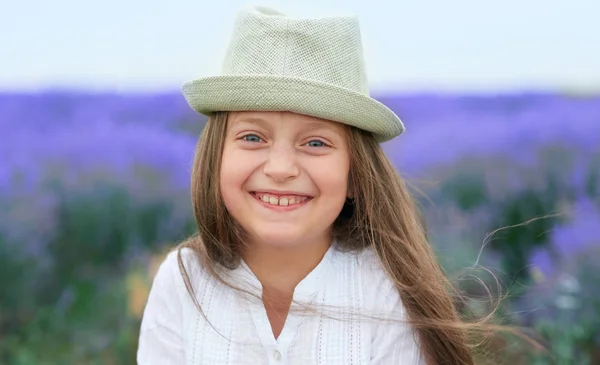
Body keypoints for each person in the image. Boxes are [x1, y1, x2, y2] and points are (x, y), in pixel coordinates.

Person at [137, 6, 485, 364]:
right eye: (253, 137)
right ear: (216, 159)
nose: (281, 169)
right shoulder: (182, 281)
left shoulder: (386, 292)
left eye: (316, 143)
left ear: (355, 175)